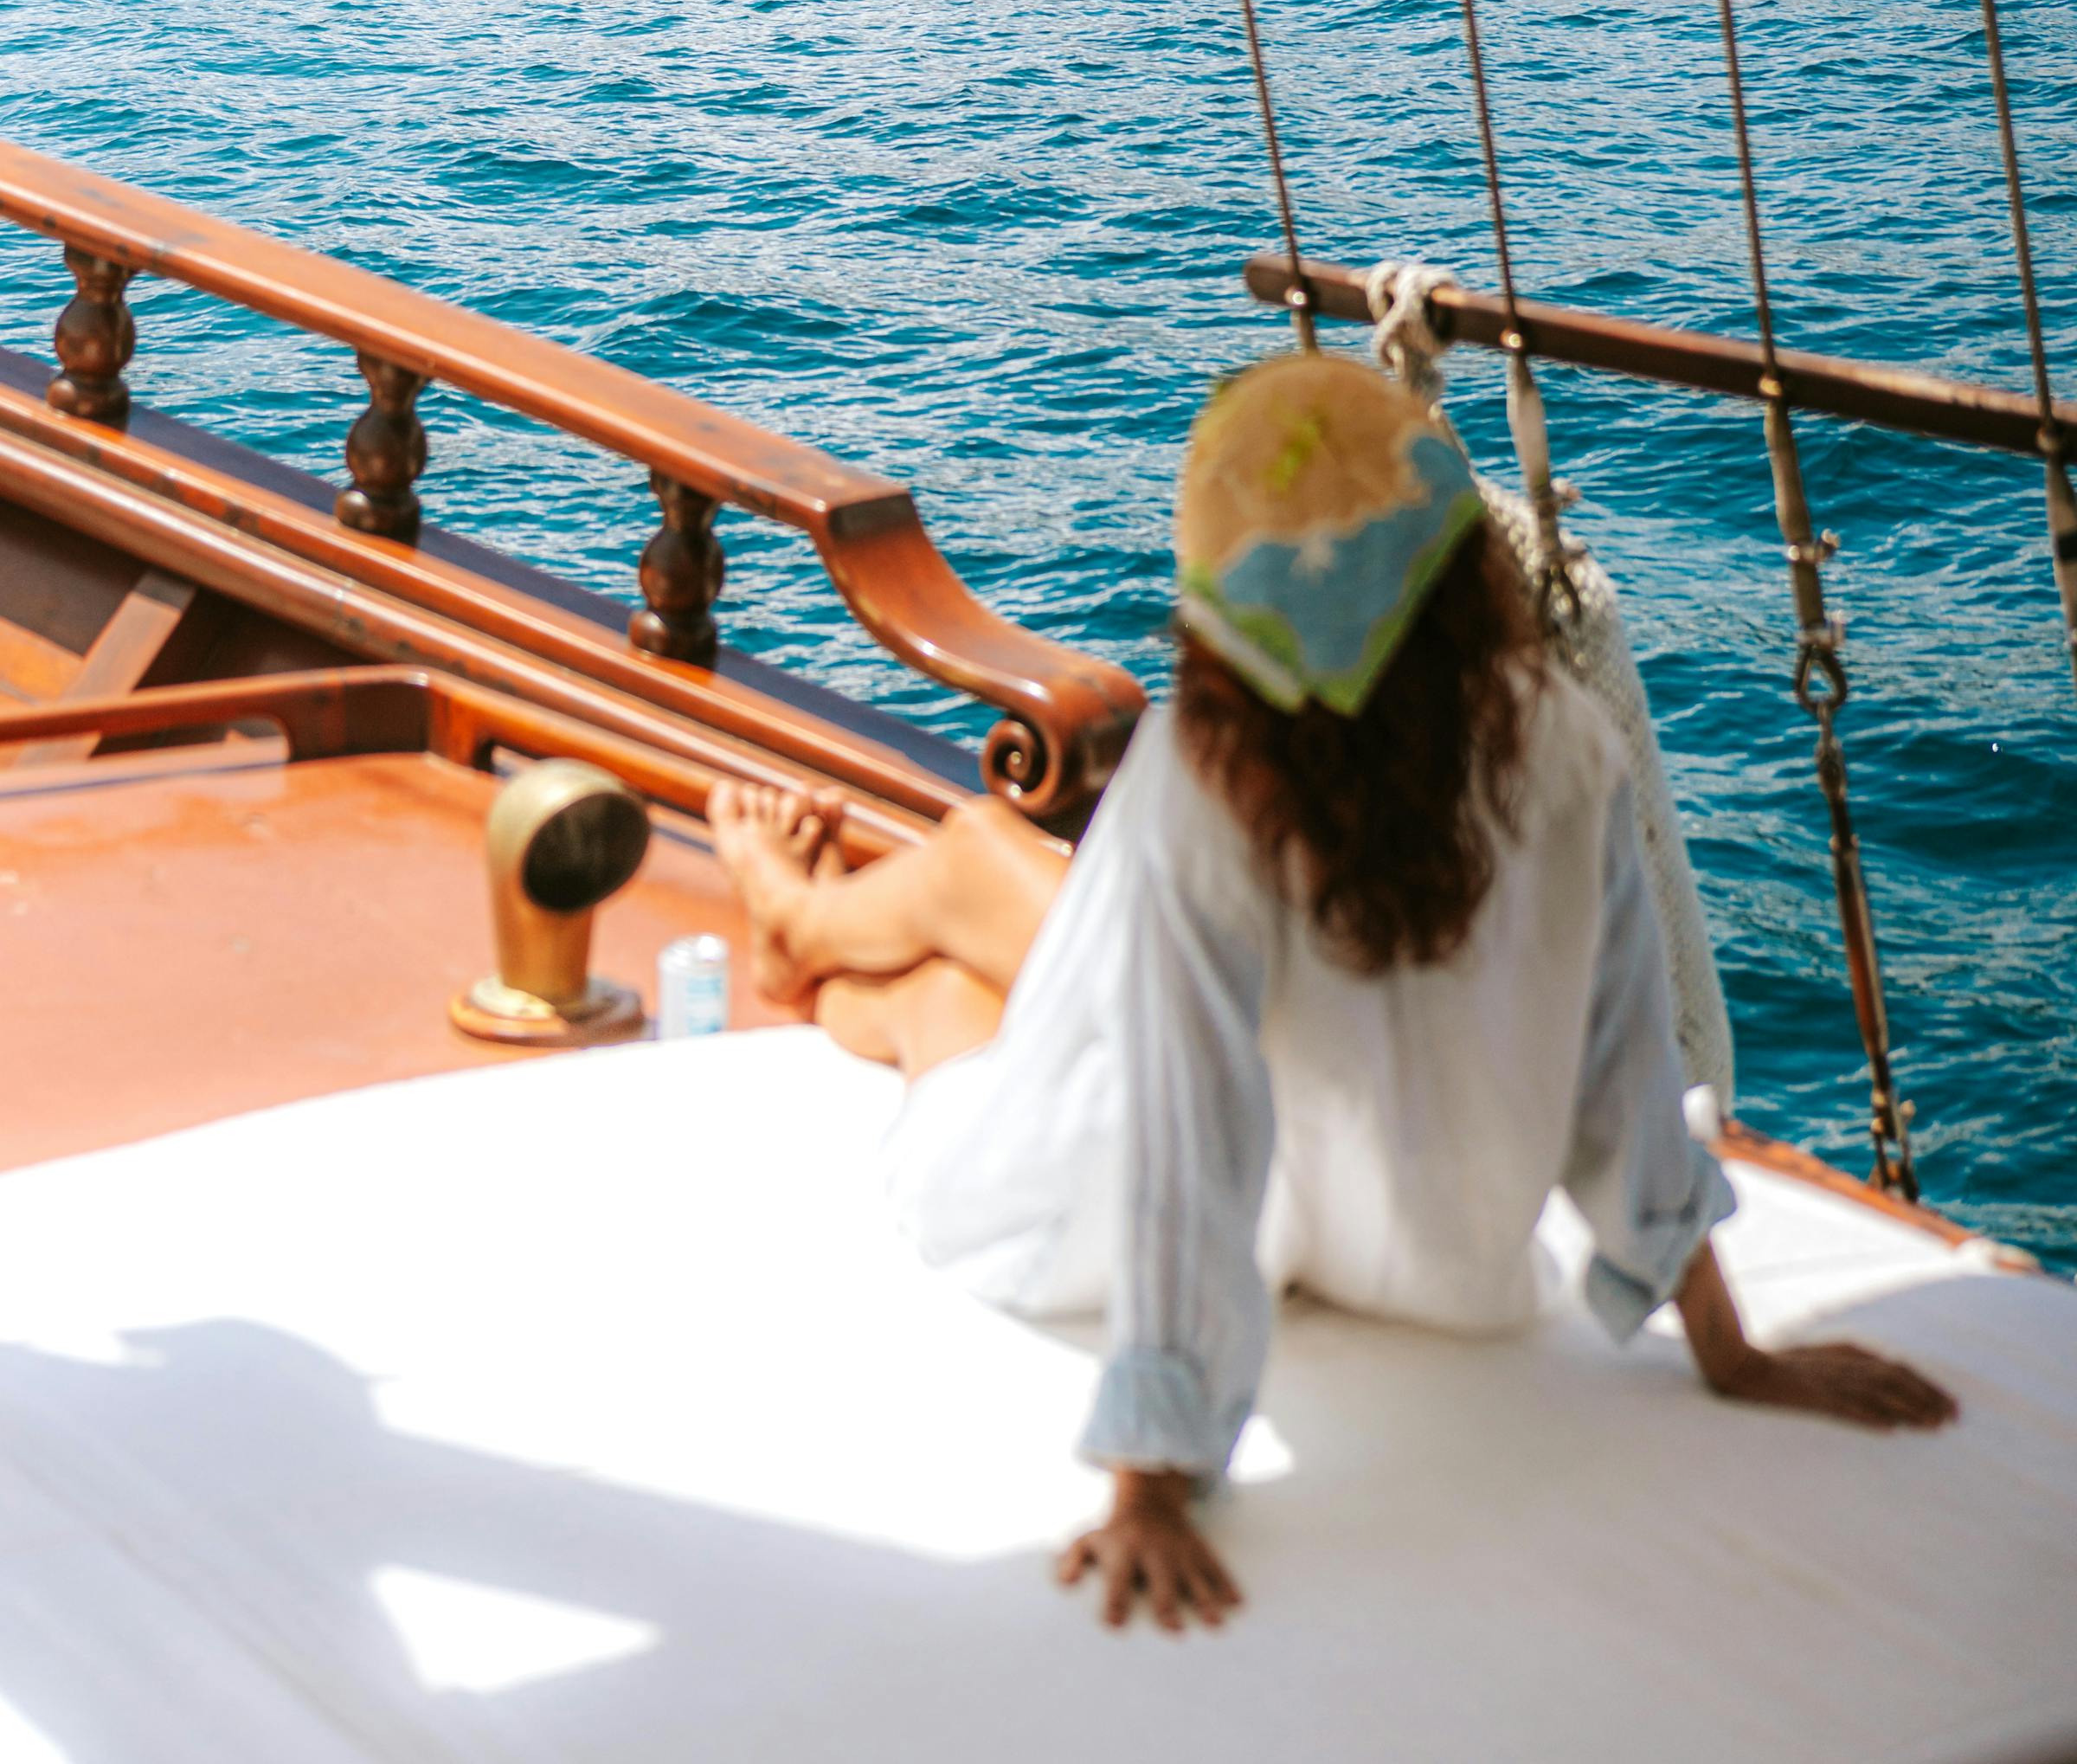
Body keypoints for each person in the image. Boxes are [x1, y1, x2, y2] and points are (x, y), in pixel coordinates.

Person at [709, 351, 1957, 1634]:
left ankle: (798, 929)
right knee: (1008, 900)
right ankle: (809, 922)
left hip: (1109, 1209)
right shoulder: (1559, 744)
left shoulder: (1212, 779)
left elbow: (1189, 1138)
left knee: (957, 960)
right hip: (1420, 1250)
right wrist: (1727, 1353)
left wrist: (1157, 1476)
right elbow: (1627, 1066)